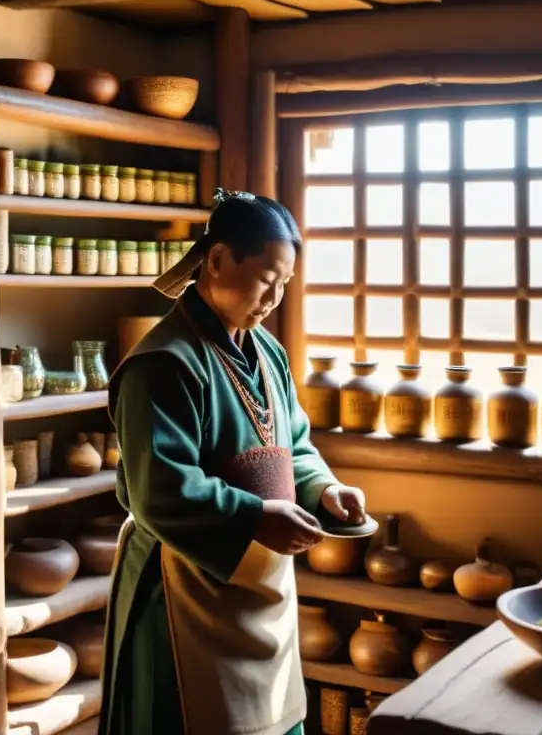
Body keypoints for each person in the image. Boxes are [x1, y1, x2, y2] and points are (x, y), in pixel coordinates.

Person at [98, 189, 368, 735]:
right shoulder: (161, 365)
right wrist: (254, 517)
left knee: (272, 715)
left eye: (284, 283)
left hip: (260, 581)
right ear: (217, 260)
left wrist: (323, 489)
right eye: (267, 279)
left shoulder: (268, 351)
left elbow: (294, 446)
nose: (275, 296)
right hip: (183, 585)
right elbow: (161, 492)